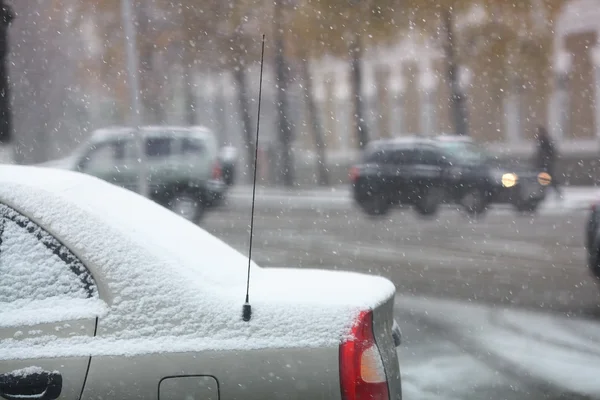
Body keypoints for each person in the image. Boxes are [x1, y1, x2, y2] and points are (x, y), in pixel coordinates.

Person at [534, 125, 562, 198]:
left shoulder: (545, 140)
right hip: (544, 163)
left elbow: (549, 152)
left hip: (546, 164)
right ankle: (543, 193)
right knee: (545, 179)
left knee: (547, 179)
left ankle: (546, 193)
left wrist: (547, 160)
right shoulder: (541, 140)